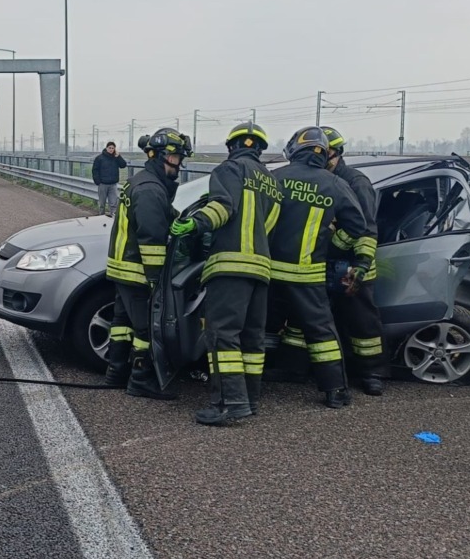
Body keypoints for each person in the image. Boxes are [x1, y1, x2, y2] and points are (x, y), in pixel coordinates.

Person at [170, 122, 281, 424]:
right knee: (252, 339)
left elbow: (224, 206)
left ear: (231, 147)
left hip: (230, 265)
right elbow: (268, 225)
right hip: (261, 268)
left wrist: (196, 224)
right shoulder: (272, 181)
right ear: (260, 148)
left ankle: (229, 403)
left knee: (222, 335)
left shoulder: (228, 170)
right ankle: (250, 398)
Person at [266, 126, 375, 409]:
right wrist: (332, 244)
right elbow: (359, 226)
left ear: (293, 151)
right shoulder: (335, 184)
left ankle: (254, 386)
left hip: (269, 271)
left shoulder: (274, 178)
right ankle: (336, 391)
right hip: (308, 274)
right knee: (321, 332)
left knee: (263, 326)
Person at [100, 128, 189, 400]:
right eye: (175, 158)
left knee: (122, 323)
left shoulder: (144, 181)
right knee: (145, 329)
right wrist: (157, 279)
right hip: (137, 271)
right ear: (160, 155)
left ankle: (115, 374)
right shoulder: (151, 188)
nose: (179, 164)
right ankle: (141, 379)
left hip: (122, 267)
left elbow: (162, 217)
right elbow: (151, 238)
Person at [321, 126, 389, 396]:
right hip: (324, 263)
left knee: (363, 323)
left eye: (324, 153)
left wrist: (360, 265)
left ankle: (372, 373)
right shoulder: (321, 179)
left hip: (354, 265)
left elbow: (366, 228)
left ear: (336, 154)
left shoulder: (356, 182)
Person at [92, 142, 127, 215]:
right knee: (102, 203)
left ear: (114, 149)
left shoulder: (115, 158)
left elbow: (123, 165)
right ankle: (101, 216)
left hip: (113, 184)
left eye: (113, 148)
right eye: (110, 148)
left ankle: (113, 217)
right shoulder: (99, 158)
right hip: (103, 184)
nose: (111, 150)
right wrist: (97, 181)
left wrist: (119, 156)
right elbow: (95, 170)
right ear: (106, 148)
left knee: (113, 203)